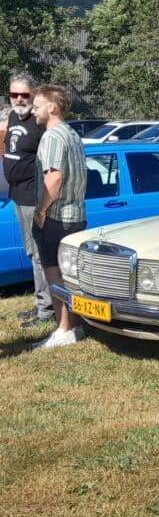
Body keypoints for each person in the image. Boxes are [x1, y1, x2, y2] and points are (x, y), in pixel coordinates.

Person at [30, 84, 87, 349]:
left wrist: (41, 211)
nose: (33, 110)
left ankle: (63, 328)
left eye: (37, 105)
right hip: (77, 216)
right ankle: (75, 326)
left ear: (52, 107)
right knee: (70, 273)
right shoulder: (73, 134)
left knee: (54, 273)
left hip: (56, 217)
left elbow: (54, 177)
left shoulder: (52, 136)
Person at [2, 73, 53, 329]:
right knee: (31, 251)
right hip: (17, 196)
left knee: (39, 254)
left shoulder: (40, 123)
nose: (19, 99)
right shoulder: (12, 116)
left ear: (33, 96)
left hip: (34, 198)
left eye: (25, 94)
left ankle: (46, 310)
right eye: (15, 94)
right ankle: (40, 302)